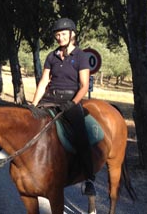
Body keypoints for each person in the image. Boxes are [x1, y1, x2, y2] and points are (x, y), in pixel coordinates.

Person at [31, 18, 96, 196]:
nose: (60, 37)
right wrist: (33, 104)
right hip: (50, 98)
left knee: (81, 135)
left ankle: (89, 179)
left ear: (72, 34)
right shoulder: (51, 56)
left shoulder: (81, 56)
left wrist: (72, 103)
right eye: (57, 34)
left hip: (70, 100)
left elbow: (84, 86)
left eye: (63, 34)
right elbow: (44, 81)